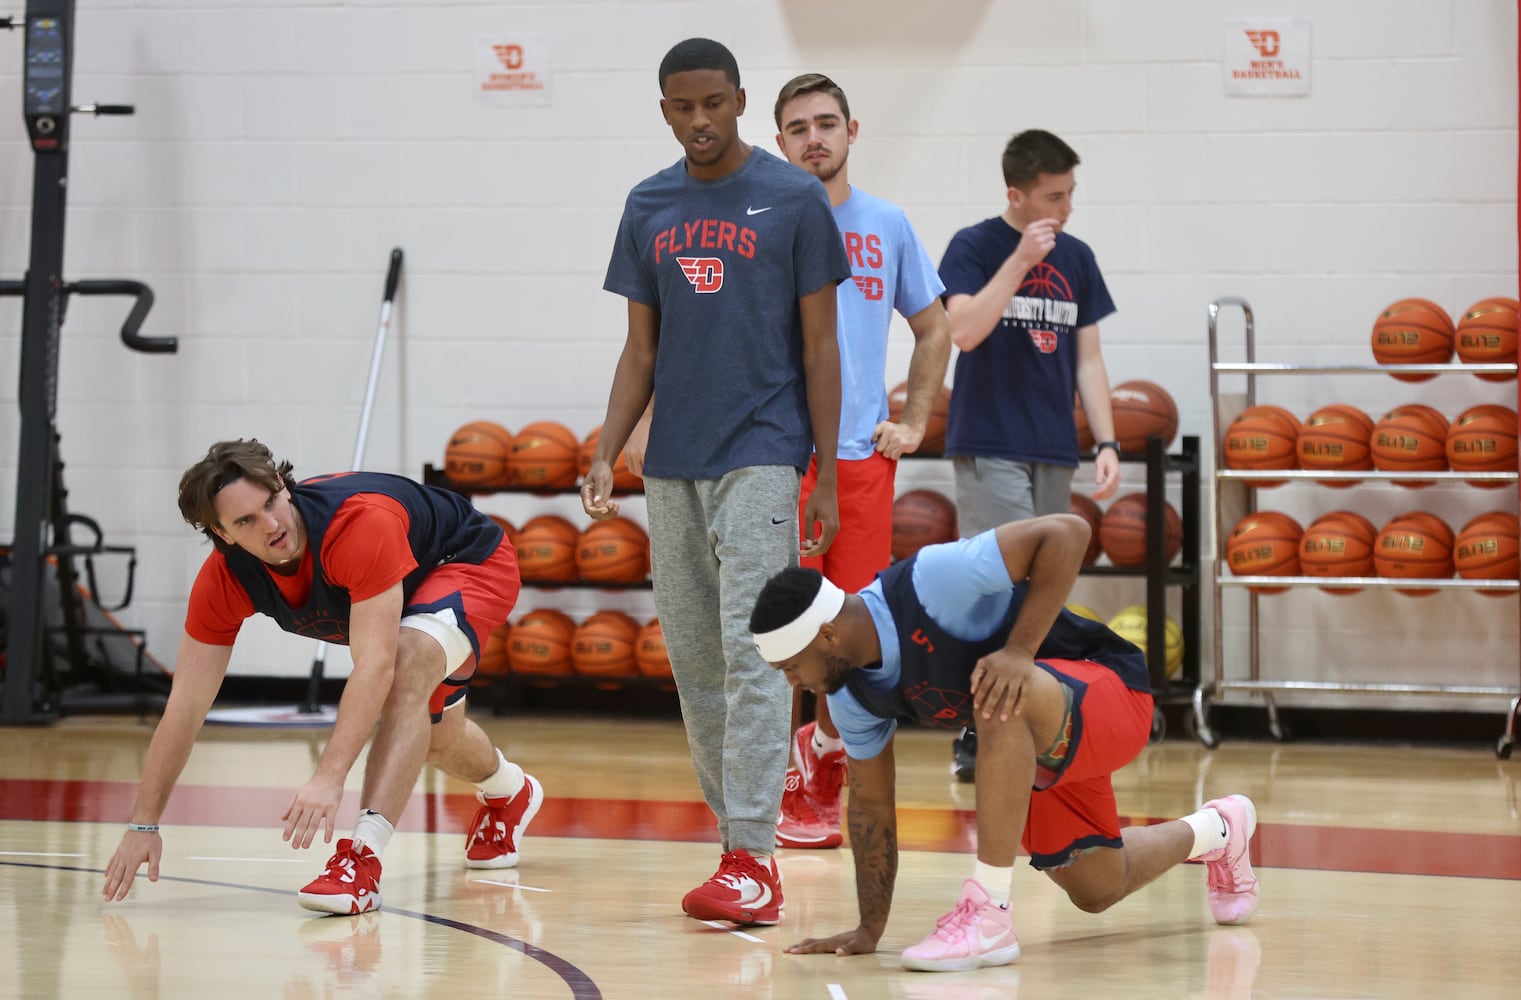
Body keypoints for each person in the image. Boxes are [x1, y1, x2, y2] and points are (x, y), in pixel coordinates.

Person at [580, 38, 851, 927]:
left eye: (712, 104)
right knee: (695, 660)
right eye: (680, 107)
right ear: (664, 110)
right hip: (672, 463)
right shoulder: (647, 204)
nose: (698, 121)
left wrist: (824, 472)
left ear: (738, 101)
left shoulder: (793, 198)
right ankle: (735, 839)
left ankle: (751, 855)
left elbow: (821, 346)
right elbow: (639, 350)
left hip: (765, 450)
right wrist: (605, 445)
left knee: (750, 651)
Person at [748, 513, 1258, 971]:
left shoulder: (932, 581)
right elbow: (872, 809)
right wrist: (869, 928)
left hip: (1113, 696)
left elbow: (1068, 532)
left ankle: (988, 912)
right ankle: (1218, 828)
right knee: (1099, 886)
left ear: (829, 636)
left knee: (994, 690)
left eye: (791, 667)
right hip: (1040, 739)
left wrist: (1018, 650)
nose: (793, 682)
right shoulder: (850, 696)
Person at [102, 439, 543, 915]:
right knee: (435, 737)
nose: (271, 526)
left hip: (467, 562)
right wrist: (142, 824)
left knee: (403, 670)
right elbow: (185, 707)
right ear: (222, 533)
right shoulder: (223, 581)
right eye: (246, 521)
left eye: (271, 501)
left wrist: (329, 777)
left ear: (283, 487)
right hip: (404, 593)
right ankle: (509, 790)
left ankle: (360, 861)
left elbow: (376, 666)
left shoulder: (357, 524)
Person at [770, 73, 951, 850]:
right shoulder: (764, 224)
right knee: (773, 625)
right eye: (798, 127)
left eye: (826, 123)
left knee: (848, 631)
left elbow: (934, 328)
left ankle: (827, 756)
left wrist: (911, 420)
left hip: (859, 462)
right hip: (778, 458)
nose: (814, 137)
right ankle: (776, 776)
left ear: (851, 130)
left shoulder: (887, 223)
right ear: (778, 142)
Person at [938, 129, 1122, 783]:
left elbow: (1089, 358)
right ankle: (975, 729)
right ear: (1015, 195)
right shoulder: (974, 246)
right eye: (1053, 196)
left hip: (1051, 445)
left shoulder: (1077, 256)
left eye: (1070, 194)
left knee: (1041, 597)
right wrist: (1017, 261)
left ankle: (1031, 726)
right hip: (988, 442)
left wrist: (1104, 441)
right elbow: (962, 330)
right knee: (998, 592)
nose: (1065, 208)